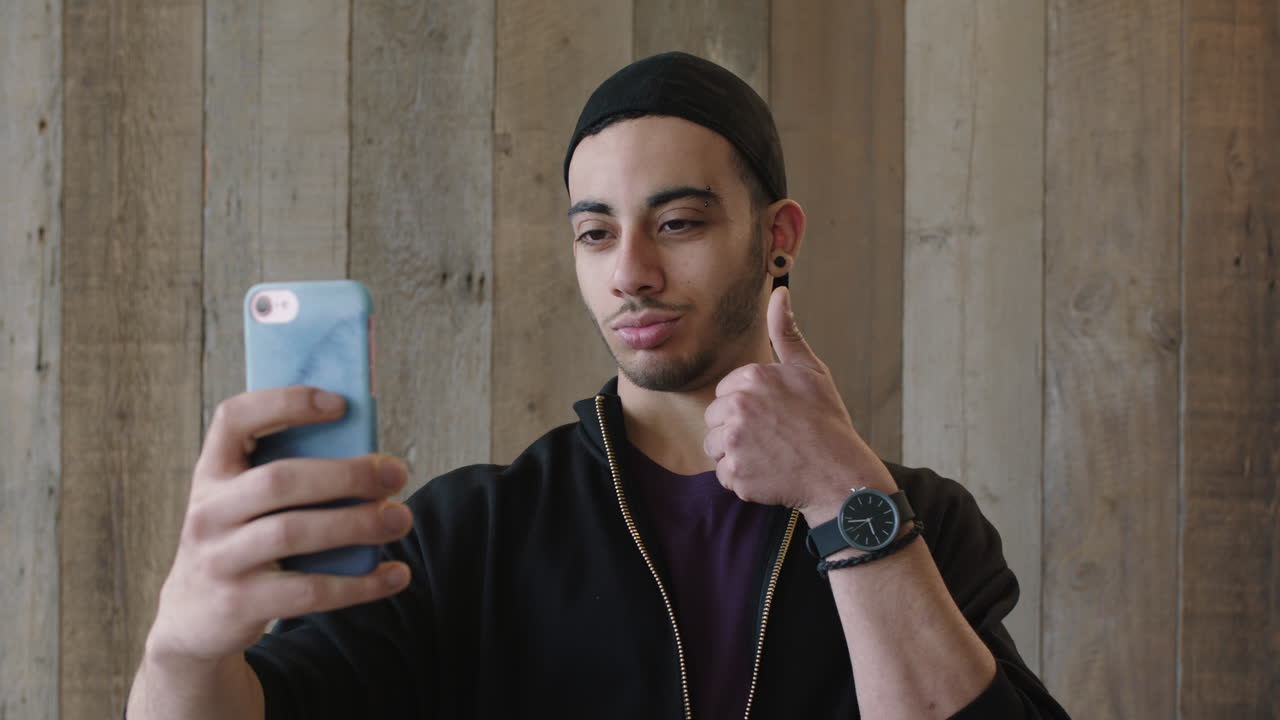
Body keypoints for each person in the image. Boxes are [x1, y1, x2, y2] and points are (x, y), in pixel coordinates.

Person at [127, 52, 1070, 719]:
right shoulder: (469, 538)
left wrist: (846, 497)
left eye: (679, 223)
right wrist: (183, 650)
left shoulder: (919, 523)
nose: (629, 271)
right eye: (594, 232)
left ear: (777, 237)